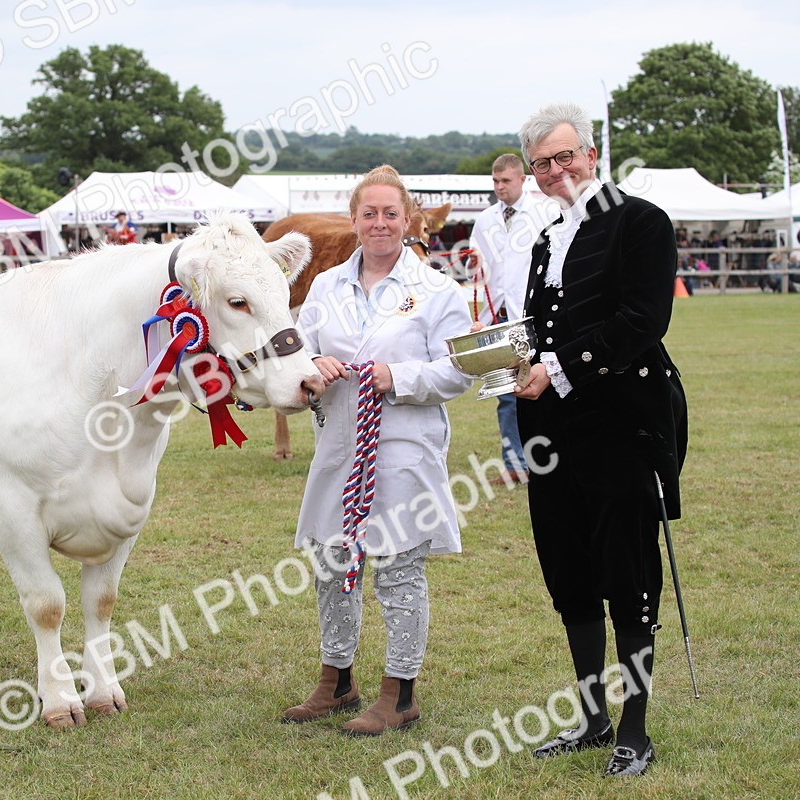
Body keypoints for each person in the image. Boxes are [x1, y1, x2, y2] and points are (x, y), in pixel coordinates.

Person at [513, 102, 688, 777]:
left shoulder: (640, 221)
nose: (555, 171)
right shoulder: (545, 239)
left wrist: (556, 368)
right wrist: (507, 358)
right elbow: (540, 328)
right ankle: (592, 719)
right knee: (571, 572)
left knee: (628, 574)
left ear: (591, 155)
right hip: (553, 430)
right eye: (541, 164)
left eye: (565, 156)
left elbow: (643, 319)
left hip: (622, 424)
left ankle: (634, 732)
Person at [282, 165, 474, 736]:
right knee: (332, 563)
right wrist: (313, 365)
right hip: (339, 446)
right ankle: (337, 679)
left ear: (408, 219)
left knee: (397, 569)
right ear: (354, 219)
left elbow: (458, 371)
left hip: (404, 449)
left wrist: (398, 376)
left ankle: (400, 692)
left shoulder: (438, 290)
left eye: (391, 213)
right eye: (370, 213)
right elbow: (300, 351)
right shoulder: (324, 287)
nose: (381, 223)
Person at [467, 153, 542, 485]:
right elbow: (476, 261)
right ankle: (515, 464)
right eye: (495, 181)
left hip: (533, 314)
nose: (499, 187)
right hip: (499, 315)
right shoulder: (485, 219)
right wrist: (471, 263)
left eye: (506, 181)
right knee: (507, 393)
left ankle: (548, 457)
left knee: (542, 385)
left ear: (522, 179)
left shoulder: (544, 212)